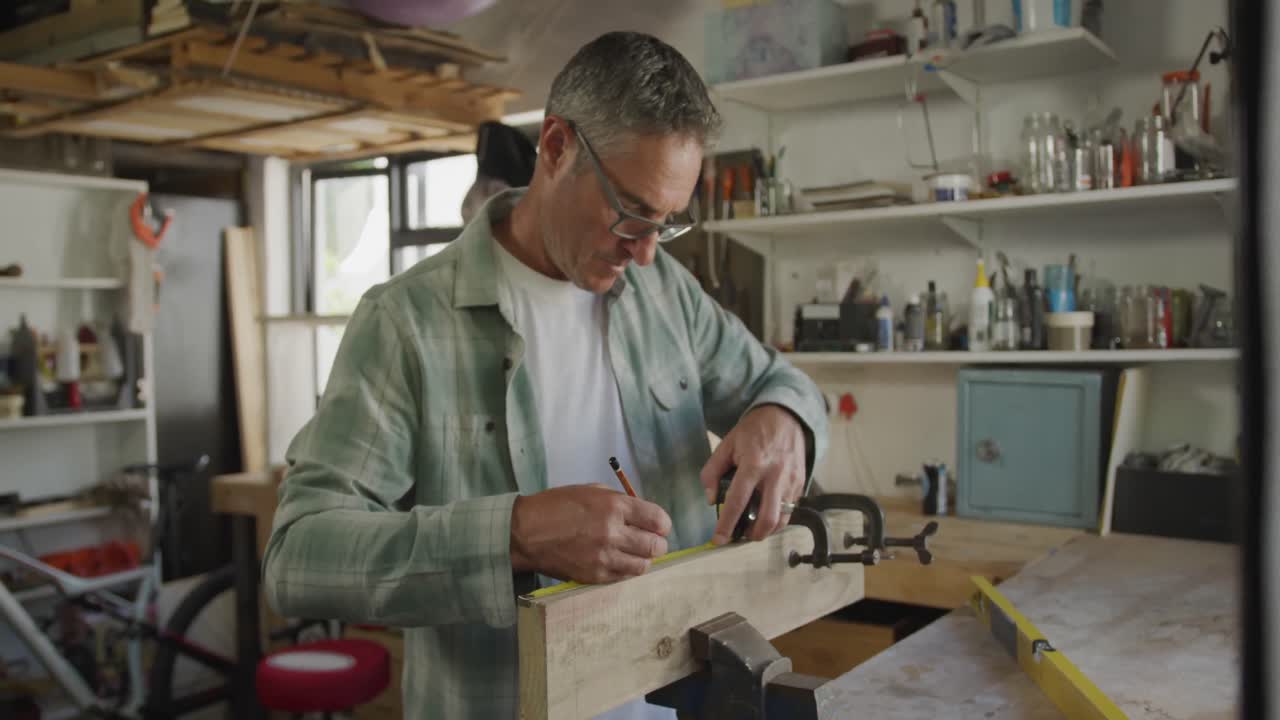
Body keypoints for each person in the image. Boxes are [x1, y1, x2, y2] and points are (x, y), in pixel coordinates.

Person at [262, 31, 829, 720]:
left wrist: (786, 421)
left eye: (666, 225)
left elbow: (784, 384)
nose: (646, 253)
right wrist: (514, 534)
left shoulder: (663, 293)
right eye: (629, 214)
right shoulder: (407, 323)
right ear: (556, 147)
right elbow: (299, 558)